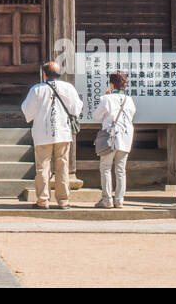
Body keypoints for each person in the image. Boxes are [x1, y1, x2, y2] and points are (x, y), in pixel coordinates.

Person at [20, 60, 84, 209]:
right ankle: (63, 200)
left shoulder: (37, 89)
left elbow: (27, 110)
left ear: (44, 74)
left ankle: (43, 200)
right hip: (63, 133)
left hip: (43, 133)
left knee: (43, 167)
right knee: (62, 166)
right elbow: (76, 108)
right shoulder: (68, 88)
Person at [93, 71, 136, 209]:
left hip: (110, 137)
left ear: (111, 84)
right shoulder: (129, 100)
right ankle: (119, 200)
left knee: (105, 168)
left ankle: (107, 199)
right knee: (120, 170)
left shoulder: (106, 99)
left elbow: (96, 116)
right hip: (126, 136)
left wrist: (106, 97)